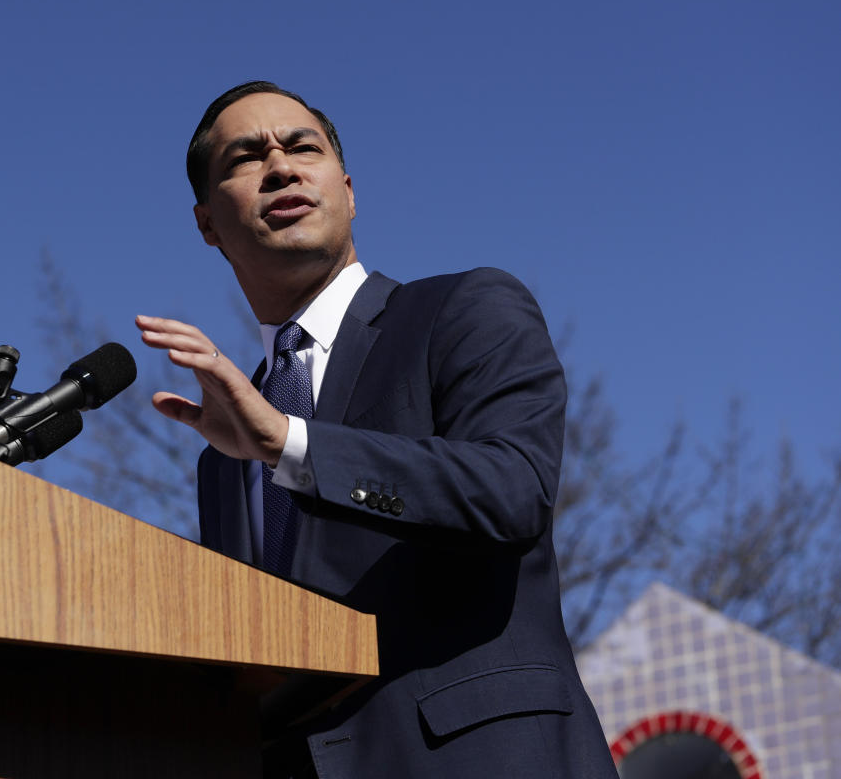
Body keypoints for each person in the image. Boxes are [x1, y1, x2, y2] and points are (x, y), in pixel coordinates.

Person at [136, 81, 617, 779]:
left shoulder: (462, 310)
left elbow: (512, 492)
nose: (281, 167)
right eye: (247, 157)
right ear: (208, 222)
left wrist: (287, 444)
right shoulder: (223, 453)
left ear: (349, 189)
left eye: (303, 147)